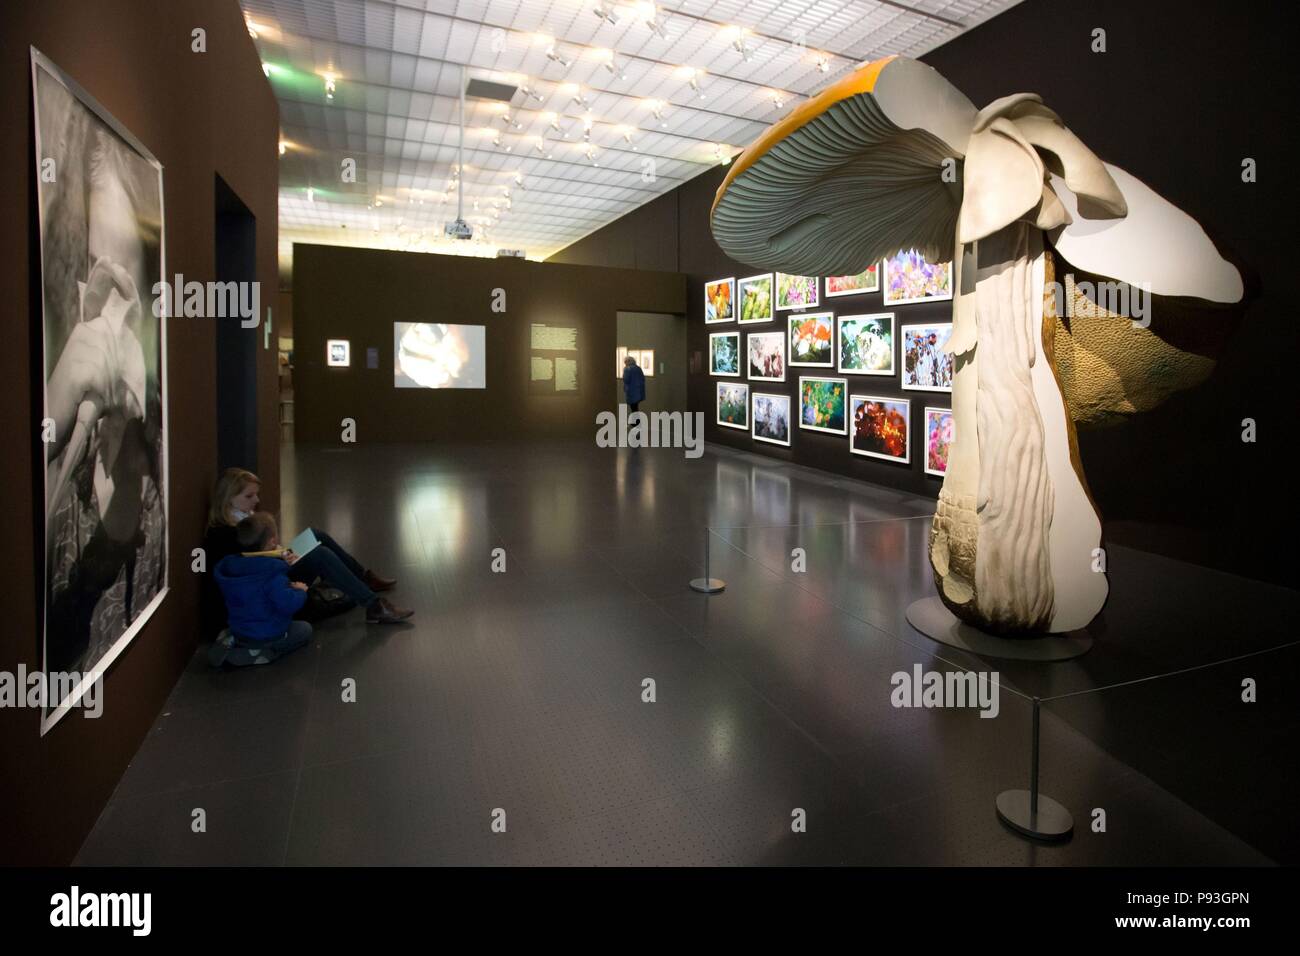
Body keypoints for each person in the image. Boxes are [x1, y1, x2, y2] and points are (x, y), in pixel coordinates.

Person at [203, 468, 412, 627]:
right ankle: (374, 606)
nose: (256, 501)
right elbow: (253, 569)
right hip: (266, 584)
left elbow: (261, 555)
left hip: (272, 568)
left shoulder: (241, 519)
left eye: (256, 494)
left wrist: (281, 554)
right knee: (319, 555)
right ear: (228, 499)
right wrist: (283, 558)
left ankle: (362, 578)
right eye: (249, 496)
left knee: (314, 535)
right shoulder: (228, 533)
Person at [210, 512, 312, 666]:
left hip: (241, 630)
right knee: (305, 629)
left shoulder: (232, 567)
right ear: (272, 542)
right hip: (267, 634)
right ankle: (264, 652)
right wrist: (300, 592)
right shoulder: (272, 574)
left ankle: (235, 643)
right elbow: (287, 605)